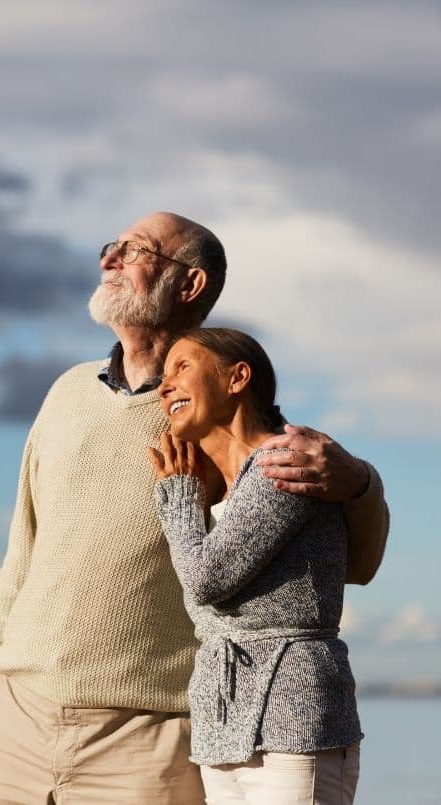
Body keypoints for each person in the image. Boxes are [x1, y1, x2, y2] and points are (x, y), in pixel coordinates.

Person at [0, 212, 388, 804]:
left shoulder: (219, 420)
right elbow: (24, 543)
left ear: (190, 285)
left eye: (135, 250)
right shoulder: (66, 391)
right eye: (109, 247)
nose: (109, 259)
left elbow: (351, 565)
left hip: (151, 736)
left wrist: (360, 484)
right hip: (15, 719)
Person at [148, 328, 362, 804]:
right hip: (223, 723)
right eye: (163, 375)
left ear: (237, 377)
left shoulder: (284, 464)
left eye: (182, 367)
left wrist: (179, 496)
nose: (164, 386)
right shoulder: (224, 487)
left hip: (294, 715)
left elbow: (204, 580)